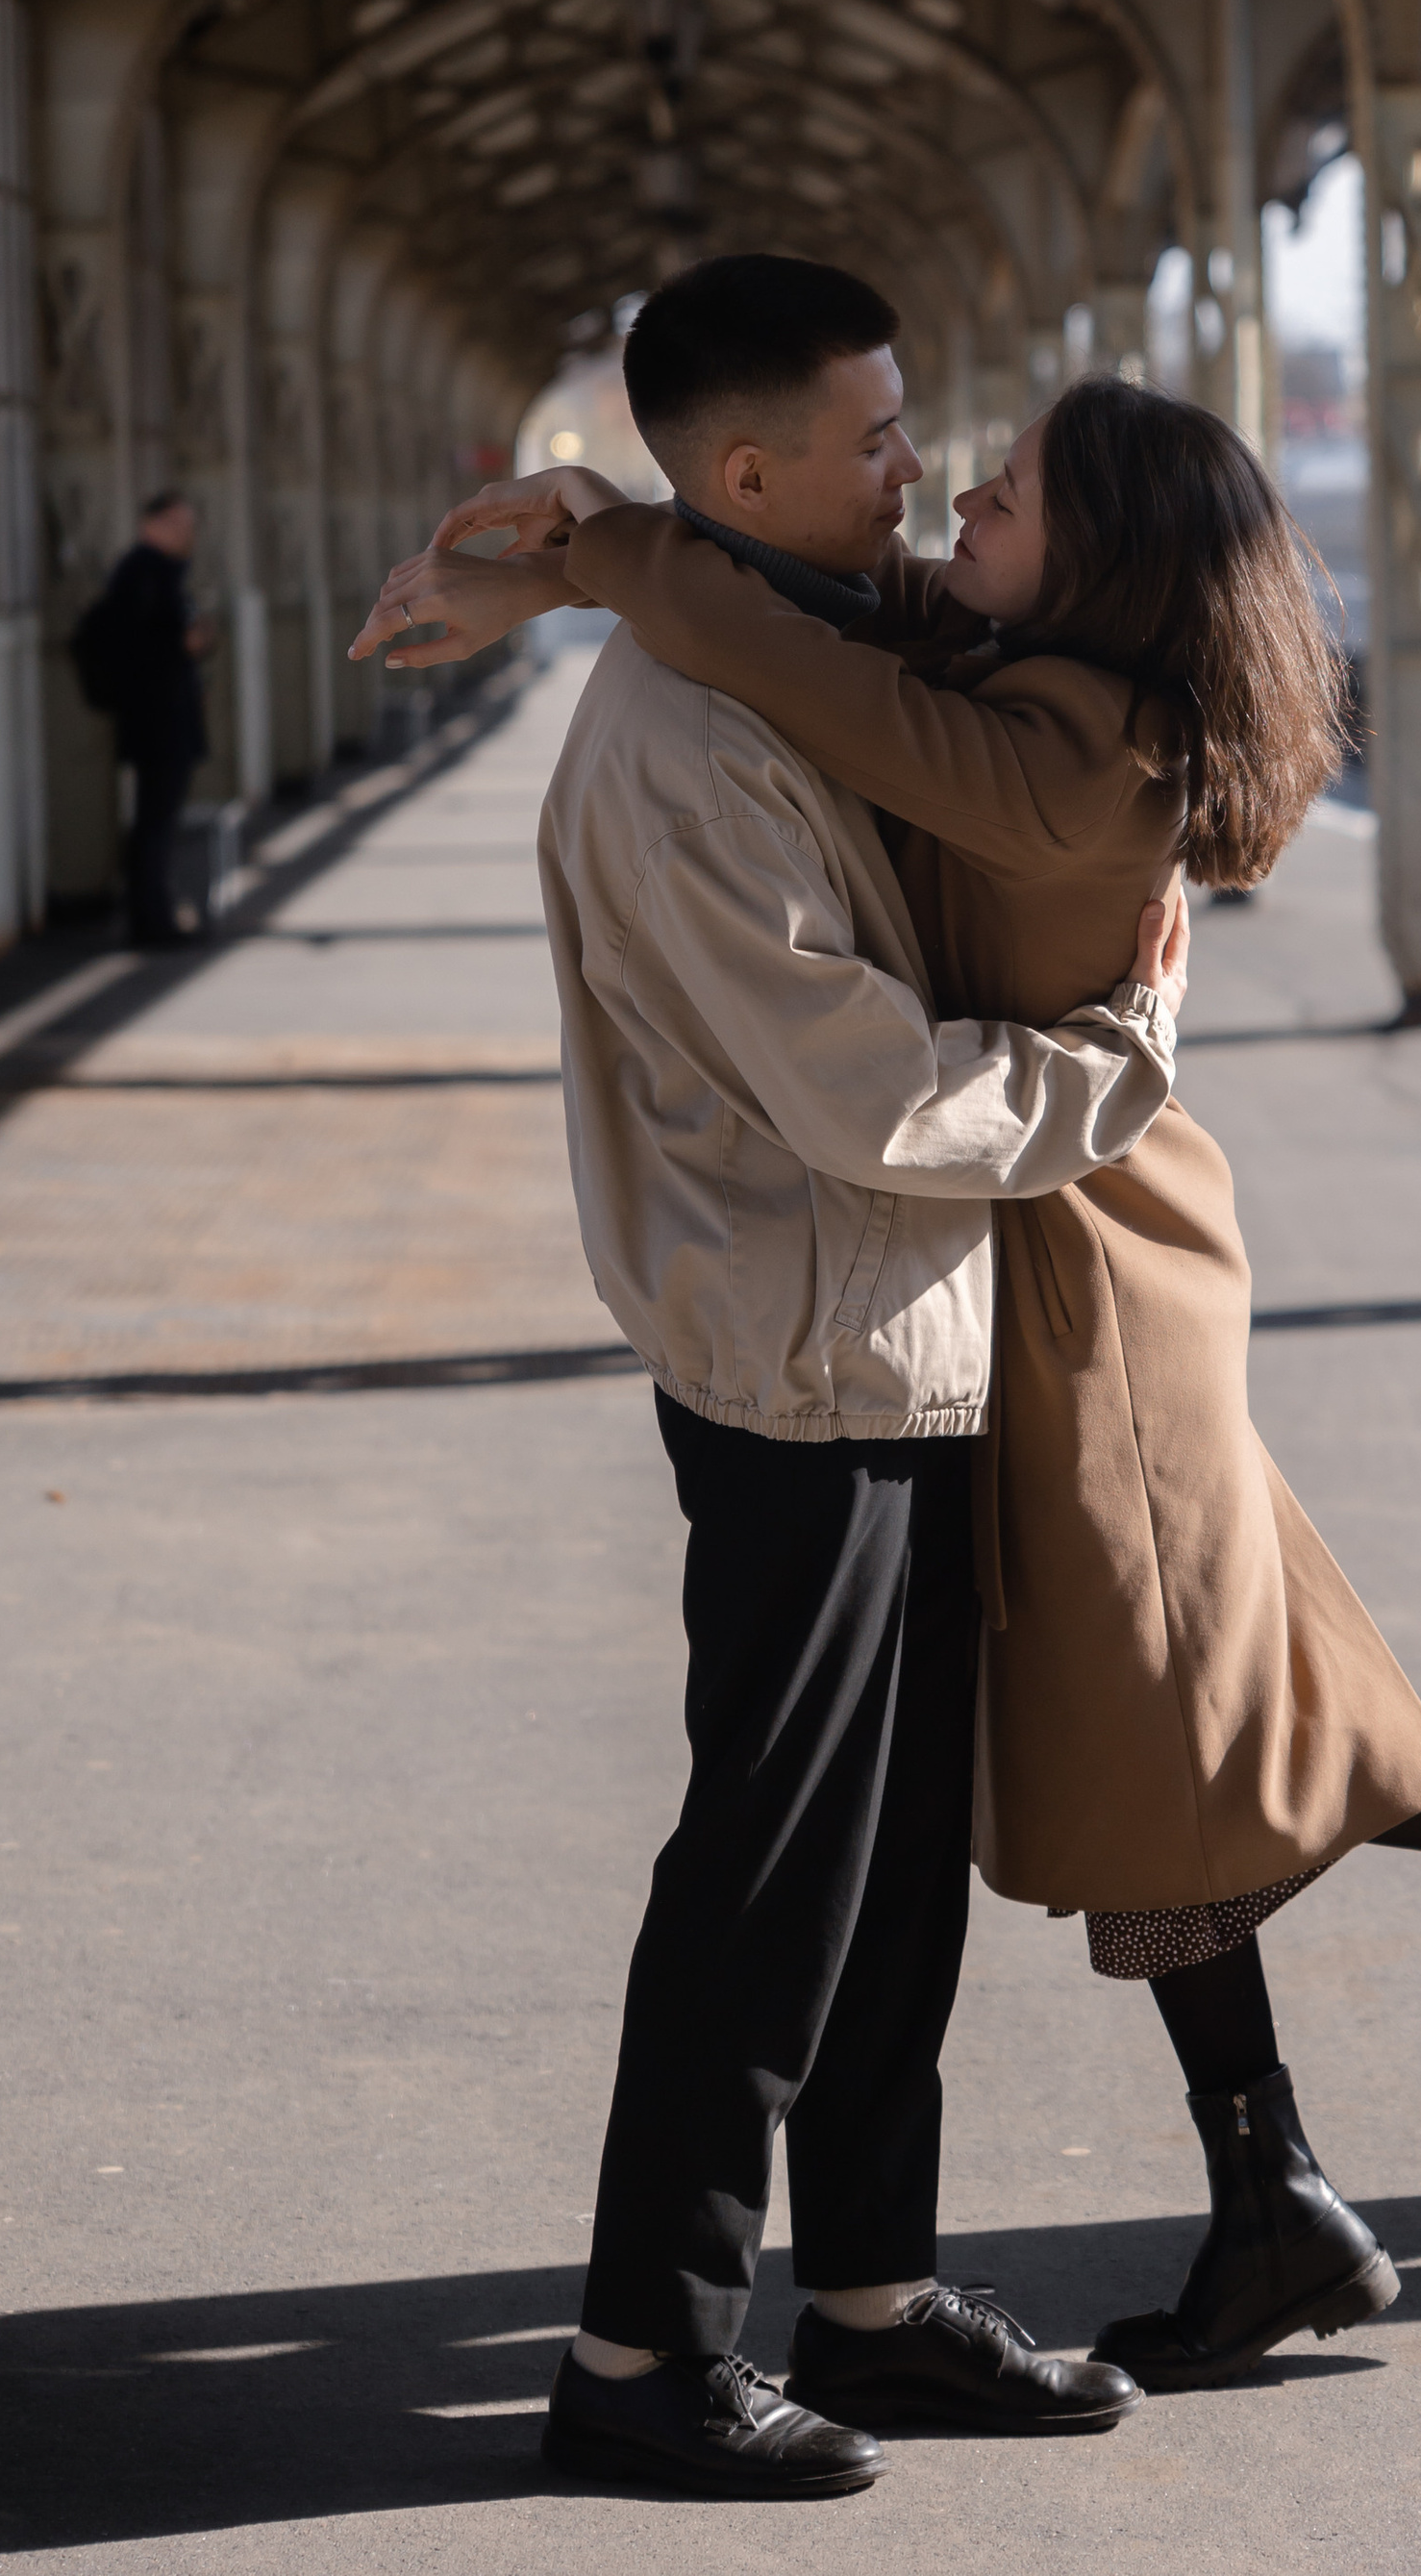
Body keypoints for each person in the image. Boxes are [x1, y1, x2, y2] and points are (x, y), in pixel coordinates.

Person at [366, 290, 1421, 2400]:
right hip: (992, 1244)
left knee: (1208, 1723)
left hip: (1084, 1252)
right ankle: (1270, 2183)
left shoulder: (1060, 752)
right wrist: (582, 538)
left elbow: (784, 646)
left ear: (1097, 568)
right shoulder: (979, 668)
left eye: (999, 487)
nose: (944, 488)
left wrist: (605, 547)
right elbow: (798, 629)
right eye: (903, 448)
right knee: (1158, 1731)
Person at [359, 258, 1185, 2499]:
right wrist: (1118, 1060)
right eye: (879, 435)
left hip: (885, 1337)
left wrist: (557, 550)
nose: (917, 469)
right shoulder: (690, 747)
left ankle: (874, 2302)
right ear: (747, 474)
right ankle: (638, 2350)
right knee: (769, 1871)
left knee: (888, 1868)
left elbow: (898, 643)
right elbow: (870, 1095)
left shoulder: (768, 643)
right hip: (803, 1353)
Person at [76, 488, 212, 949]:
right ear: (151, 525)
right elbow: (137, 645)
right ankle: (151, 922)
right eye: (178, 525)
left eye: (189, 526)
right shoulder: (141, 573)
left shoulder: (159, 572)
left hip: (164, 715)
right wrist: (183, 645)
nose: (186, 534)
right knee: (155, 822)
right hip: (156, 719)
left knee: (158, 820)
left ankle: (155, 915)